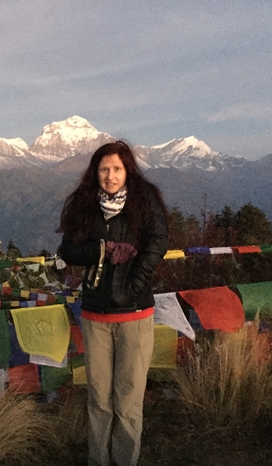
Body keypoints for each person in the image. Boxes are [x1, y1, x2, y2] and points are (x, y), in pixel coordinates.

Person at [58, 140, 169, 466]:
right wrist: (102, 250)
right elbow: (69, 250)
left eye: (116, 169)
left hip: (135, 313)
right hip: (95, 314)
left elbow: (158, 241)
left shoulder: (144, 201)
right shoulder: (85, 205)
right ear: (96, 171)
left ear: (127, 170)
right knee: (99, 401)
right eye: (104, 169)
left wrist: (135, 284)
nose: (110, 176)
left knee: (128, 401)